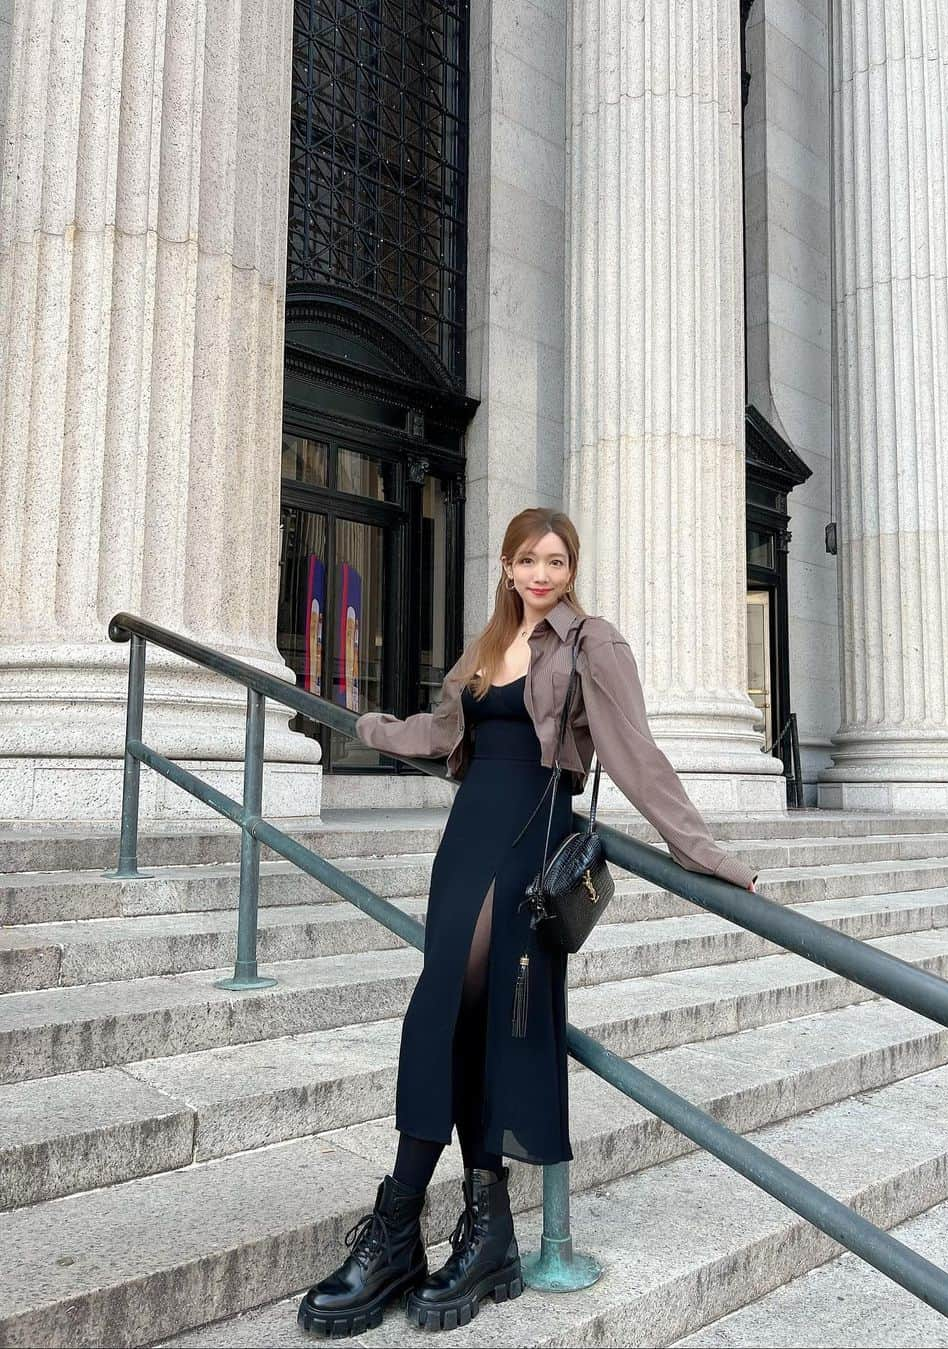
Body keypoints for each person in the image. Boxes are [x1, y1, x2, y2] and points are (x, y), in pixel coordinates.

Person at [297, 508, 759, 1338]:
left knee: (461, 1010)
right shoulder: (486, 647)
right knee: (459, 1013)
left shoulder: (593, 644)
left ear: (570, 567)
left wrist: (704, 852)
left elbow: (636, 756)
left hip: (529, 837)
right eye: (527, 560)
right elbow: (440, 734)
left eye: (556, 560)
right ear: (506, 567)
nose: (541, 573)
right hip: (467, 838)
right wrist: (358, 723)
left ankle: (403, 1222)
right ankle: (482, 1230)